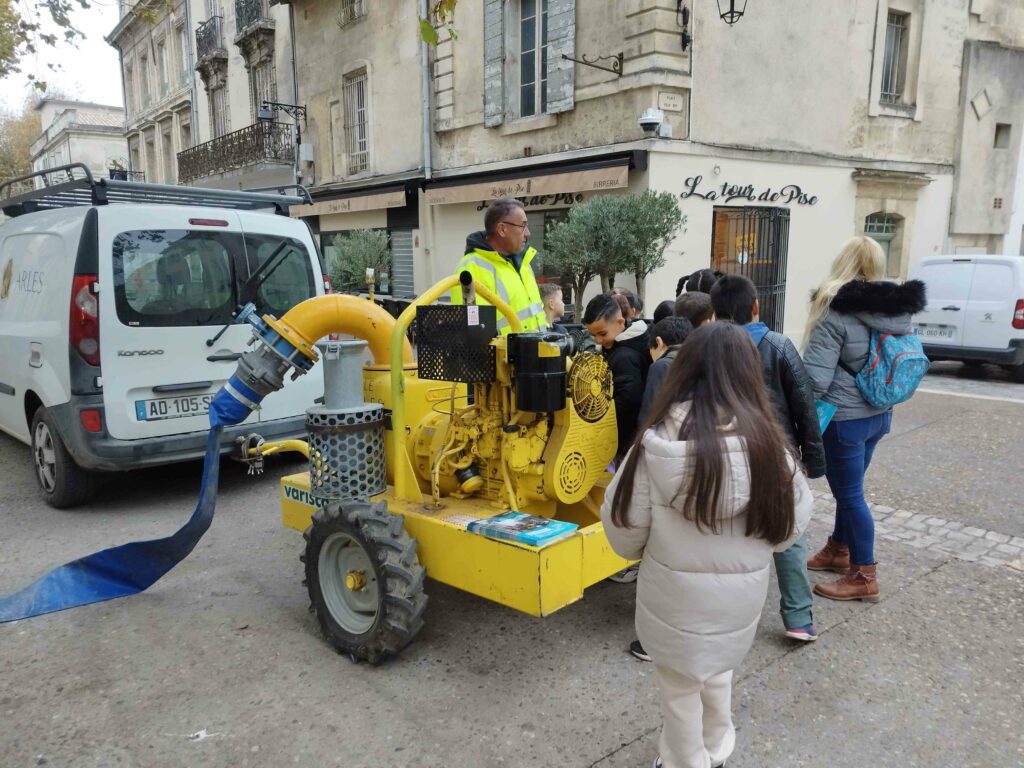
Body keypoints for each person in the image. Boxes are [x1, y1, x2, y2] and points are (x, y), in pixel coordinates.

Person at [601, 322, 812, 768]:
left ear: (684, 369)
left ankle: (684, 761)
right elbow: (790, 531)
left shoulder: (654, 445)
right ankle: (716, 747)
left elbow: (623, 534)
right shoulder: (774, 449)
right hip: (738, 604)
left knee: (679, 690)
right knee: (719, 670)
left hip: (672, 605)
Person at [802, 237, 926, 602]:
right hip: (879, 413)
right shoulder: (896, 310)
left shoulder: (833, 309)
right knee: (849, 489)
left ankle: (864, 574)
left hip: (844, 419)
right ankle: (839, 549)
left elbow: (815, 380)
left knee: (851, 494)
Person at [710, 274, 826, 642]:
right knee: (787, 532)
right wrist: (814, 459)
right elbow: (805, 406)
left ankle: (723, 616)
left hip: (724, 452)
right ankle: (798, 619)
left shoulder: (708, 349)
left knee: (727, 533)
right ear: (756, 306)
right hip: (777, 454)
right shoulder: (778, 345)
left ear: (714, 312)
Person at [451, 197, 548, 334]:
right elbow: (476, 334)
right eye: (523, 226)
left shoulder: (523, 263)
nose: (528, 233)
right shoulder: (470, 269)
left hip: (535, 352)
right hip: (507, 355)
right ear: (502, 229)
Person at [583, 293, 651, 463]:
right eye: (593, 336)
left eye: (602, 333)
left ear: (621, 322)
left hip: (626, 438)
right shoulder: (634, 340)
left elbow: (627, 402)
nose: (598, 341)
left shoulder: (623, 356)